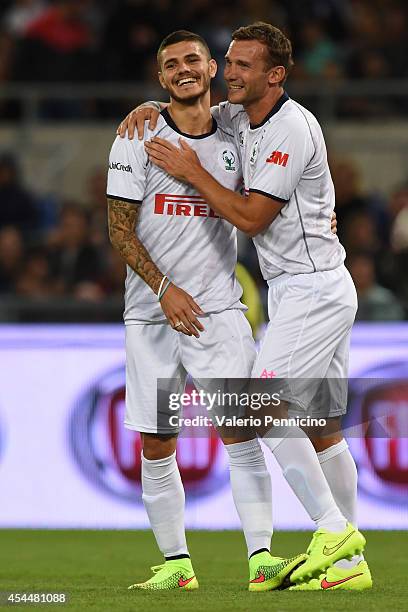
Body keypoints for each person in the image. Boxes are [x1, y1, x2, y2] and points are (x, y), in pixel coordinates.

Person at [119, 23, 371, 591]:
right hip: (298, 287)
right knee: (322, 425)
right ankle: (351, 566)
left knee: (255, 404)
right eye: (227, 63)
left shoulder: (289, 128)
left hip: (311, 287)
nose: (229, 73)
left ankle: (332, 529)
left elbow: (253, 219)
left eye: (242, 66)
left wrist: (191, 172)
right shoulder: (239, 116)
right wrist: (150, 104)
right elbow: (190, 105)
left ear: (275, 76)